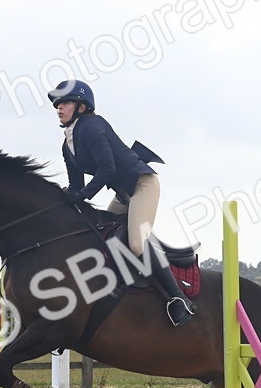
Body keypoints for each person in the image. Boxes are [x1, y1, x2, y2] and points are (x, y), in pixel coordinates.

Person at [47, 79, 194, 326]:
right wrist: (66, 200)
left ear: (81, 107)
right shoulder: (67, 144)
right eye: (58, 104)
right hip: (123, 195)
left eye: (66, 103)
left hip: (143, 185)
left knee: (137, 244)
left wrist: (83, 195)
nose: (59, 108)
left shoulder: (93, 126)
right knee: (98, 236)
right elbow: (75, 184)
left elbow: (107, 168)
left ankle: (178, 300)